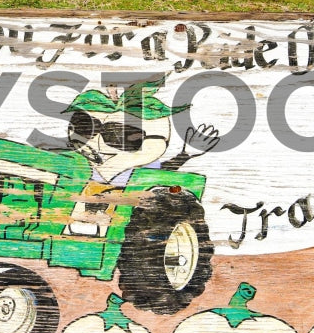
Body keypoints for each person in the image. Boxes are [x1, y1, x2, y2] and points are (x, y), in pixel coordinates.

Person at [61, 76, 218, 236]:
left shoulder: (143, 166)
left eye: (121, 136)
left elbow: (159, 176)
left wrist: (184, 156)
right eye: (85, 129)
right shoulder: (78, 164)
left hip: (124, 209)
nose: (99, 140)